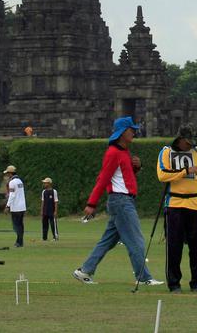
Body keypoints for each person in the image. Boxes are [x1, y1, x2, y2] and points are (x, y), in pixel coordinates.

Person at [73, 116, 162, 287]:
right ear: (122, 133)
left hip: (122, 201)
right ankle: (143, 278)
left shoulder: (123, 152)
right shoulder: (113, 153)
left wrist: (137, 167)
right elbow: (103, 179)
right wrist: (91, 204)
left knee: (108, 241)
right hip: (121, 202)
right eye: (131, 129)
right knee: (136, 240)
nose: (134, 132)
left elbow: (125, 178)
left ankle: (84, 271)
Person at [158, 125, 197, 293]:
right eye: (188, 142)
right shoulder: (166, 152)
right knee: (174, 246)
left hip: (195, 204)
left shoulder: (196, 152)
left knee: (196, 246)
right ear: (181, 139)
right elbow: (162, 175)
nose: (191, 145)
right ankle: (174, 283)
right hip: (175, 204)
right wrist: (185, 171)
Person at [4, 165, 26, 248]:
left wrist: (7, 206)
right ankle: (20, 241)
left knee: (16, 226)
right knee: (20, 225)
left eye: (7, 173)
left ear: (10, 173)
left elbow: (12, 195)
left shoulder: (12, 182)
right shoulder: (20, 181)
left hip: (16, 207)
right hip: (22, 206)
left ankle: (19, 242)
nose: (7, 175)